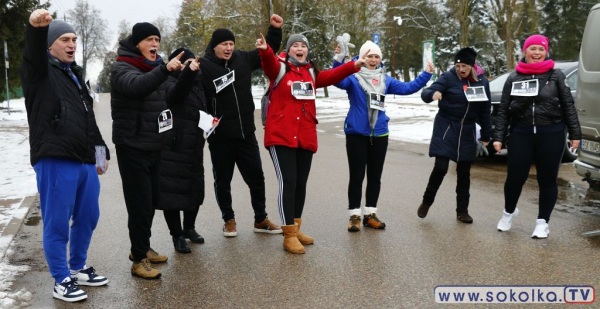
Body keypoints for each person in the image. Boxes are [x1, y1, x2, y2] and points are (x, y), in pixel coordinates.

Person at [20, 9, 109, 302]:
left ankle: (78, 266)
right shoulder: (39, 73)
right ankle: (61, 280)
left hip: (84, 160)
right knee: (57, 222)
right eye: (65, 39)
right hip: (55, 158)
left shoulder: (75, 76)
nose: (72, 44)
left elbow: (88, 120)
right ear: (49, 44)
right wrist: (36, 29)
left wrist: (100, 152)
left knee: (89, 216)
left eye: (74, 39)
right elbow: (33, 54)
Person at [256, 33, 368, 253]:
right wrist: (264, 50)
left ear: (307, 50)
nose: (299, 49)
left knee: (300, 183)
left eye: (303, 46)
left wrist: (354, 65)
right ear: (289, 51)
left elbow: (332, 76)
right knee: (287, 183)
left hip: (305, 136)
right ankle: (288, 234)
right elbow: (268, 63)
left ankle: (296, 228)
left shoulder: (311, 73)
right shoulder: (279, 68)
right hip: (281, 136)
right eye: (295, 46)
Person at [332, 40, 434, 232]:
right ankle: (354, 215)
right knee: (356, 176)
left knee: (375, 176)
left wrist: (426, 75)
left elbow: (407, 88)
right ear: (362, 57)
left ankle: (370, 214)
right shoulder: (352, 77)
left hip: (379, 133)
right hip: (356, 133)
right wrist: (338, 60)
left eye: (376, 56)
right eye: (369, 56)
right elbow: (337, 79)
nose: (373, 59)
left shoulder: (385, 79)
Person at [111, 22, 186, 279]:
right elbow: (137, 87)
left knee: (152, 201)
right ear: (137, 43)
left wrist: (189, 74)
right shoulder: (122, 67)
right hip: (132, 147)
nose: (155, 44)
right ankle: (138, 258)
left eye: (157, 39)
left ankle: (142, 248)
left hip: (154, 146)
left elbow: (172, 96)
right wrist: (165, 69)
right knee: (140, 204)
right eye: (149, 39)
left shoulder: (156, 67)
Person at [199, 15, 284, 237]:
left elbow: (269, 50)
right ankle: (229, 220)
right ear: (214, 46)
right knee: (223, 181)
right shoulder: (204, 66)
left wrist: (274, 29)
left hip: (246, 134)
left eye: (231, 44)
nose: (228, 48)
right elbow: (194, 98)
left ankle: (261, 219)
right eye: (223, 44)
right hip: (220, 138)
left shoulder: (242, 59)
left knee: (257, 177)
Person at [493, 34, 581, 238]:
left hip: (551, 132)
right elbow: (504, 109)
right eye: (532, 49)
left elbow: (568, 105)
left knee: (547, 179)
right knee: (515, 177)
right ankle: (508, 212)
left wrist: (575, 133)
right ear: (525, 52)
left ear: (546, 52)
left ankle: (542, 222)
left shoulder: (556, 76)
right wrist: (498, 136)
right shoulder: (514, 77)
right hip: (521, 133)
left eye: (541, 49)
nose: (537, 53)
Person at [417, 47, 492, 224]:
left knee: (464, 173)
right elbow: (426, 93)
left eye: (464, 65)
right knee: (441, 167)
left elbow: (485, 110)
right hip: (446, 127)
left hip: (467, 130)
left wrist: (487, 135)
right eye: (457, 65)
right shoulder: (448, 77)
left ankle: (462, 211)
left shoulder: (482, 82)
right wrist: (433, 94)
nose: (460, 69)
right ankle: (427, 201)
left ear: (472, 65)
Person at [159, 48, 206, 253]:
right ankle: (177, 235)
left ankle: (189, 228)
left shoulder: (198, 85)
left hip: (195, 145)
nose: (191, 65)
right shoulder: (168, 81)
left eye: (192, 61)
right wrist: (188, 74)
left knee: (194, 189)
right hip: (173, 146)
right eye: (185, 62)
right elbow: (176, 95)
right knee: (172, 192)